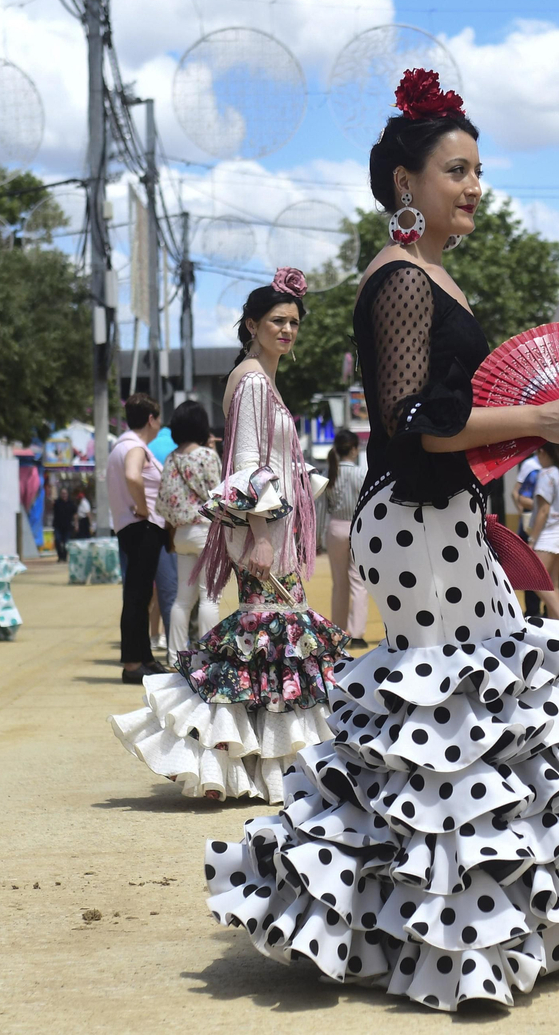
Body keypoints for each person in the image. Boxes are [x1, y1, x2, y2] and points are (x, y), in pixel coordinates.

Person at [200, 70, 559, 1011]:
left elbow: (447, 417)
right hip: (414, 520)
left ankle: (452, 920)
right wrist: (533, 415)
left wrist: (534, 423)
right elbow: (415, 420)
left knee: (468, 712)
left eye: (479, 169)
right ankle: (448, 934)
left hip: (443, 516)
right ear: (402, 185)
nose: (473, 185)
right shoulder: (401, 282)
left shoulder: (428, 276)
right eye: (455, 170)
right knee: (450, 718)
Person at [112, 269, 347, 801]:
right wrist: (261, 532)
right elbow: (245, 463)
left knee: (267, 649)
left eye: (293, 322)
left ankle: (253, 767)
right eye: (276, 321)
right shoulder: (255, 382)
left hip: (275, 529)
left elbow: (271, 462)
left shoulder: (259, 380)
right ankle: (252, 766)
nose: (287, 330)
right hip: (264, 534)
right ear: (251, 325)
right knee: (269, 644)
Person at [107, 392, 170, 684]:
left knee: (140, 594)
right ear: (150, 419)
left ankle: (142, 657)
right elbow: (134, 477)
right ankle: (133, 663)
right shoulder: (135, 447)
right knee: (136, 596)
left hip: (130, 527)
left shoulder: (119, 447)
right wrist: (144, 508)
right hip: (142, 527)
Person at [157, 399, 223, 659]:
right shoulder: (207, 456)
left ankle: (175, 656)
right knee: (209, 598)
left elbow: (163, 500)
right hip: (206, 531)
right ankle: (210, 656)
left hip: (181, 534)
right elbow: (219, 493)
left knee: (183, 600)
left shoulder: (171, 459)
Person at [318, 427, 369, 647]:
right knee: (359, 582)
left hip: (335, 528)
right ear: (355, 450)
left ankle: (337, 632)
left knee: (339, 583)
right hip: (358, 527)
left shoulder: (329, 474)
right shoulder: (361, 474)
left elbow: (321, 510)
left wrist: (319, 538)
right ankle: (357, 634)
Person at [528, 442, 559, 620]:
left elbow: (543, 510)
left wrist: (532, 539)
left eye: (537, 452)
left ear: (543, 452)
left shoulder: (546, 474)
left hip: (551, 531)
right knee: (552, 583)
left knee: (535, 579)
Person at [509, 452, 543, 619]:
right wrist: (523, 511)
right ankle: (532, 611)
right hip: (532, 522)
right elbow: (516, 493)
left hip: (551, 523)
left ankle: (549, 611)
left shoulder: (557, 465)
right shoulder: (531, 465)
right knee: (531, 565)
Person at [51, 485, 75, 561]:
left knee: (66, 542)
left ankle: (64, 557)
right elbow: (50, 504)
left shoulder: (71, 503)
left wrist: (76, 524)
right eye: (62, 493)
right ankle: (60, 556)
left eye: (65, 493)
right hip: (58, 525)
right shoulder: (57, 503)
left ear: (67, 494)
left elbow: (75, 514)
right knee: (57, 540)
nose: (64, 495)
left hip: (67, 526)